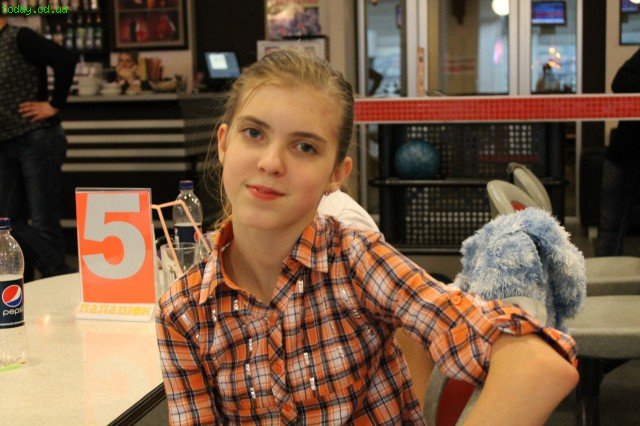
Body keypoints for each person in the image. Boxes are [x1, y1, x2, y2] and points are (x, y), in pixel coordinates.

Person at [156, 49, 578, 425]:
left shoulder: (355, 261)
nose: (270, 162)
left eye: (305, 147)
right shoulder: (183, 312)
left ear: (336, 175)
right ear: (224, 143)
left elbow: (539, 365)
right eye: (254, 133)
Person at [0, 15, 77, 280]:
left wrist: (54, 104)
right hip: (6, 143)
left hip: (37, 139)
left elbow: (65, 59)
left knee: (43, 219)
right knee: (6, 221)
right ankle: (46, 275)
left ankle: (58, 278)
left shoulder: (20, 37)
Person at [596, 47, 640, 256]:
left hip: (623, 154)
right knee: (610, 229)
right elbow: (619, 83)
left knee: (611, 228)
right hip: (624, 154)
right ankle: (605, 273)